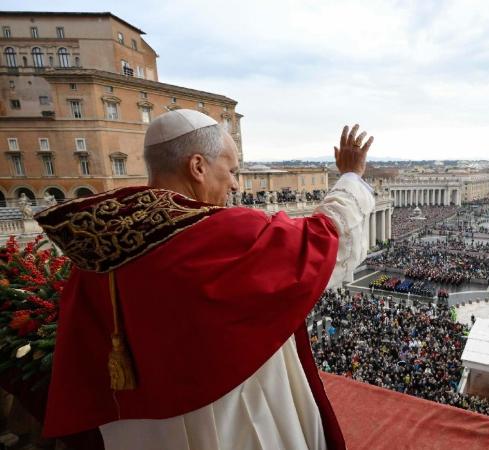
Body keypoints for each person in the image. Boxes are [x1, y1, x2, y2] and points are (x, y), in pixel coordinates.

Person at [35, 110, 376, 450]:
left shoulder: (98, 249)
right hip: (229, 416)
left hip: (138, 431)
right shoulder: (220, 233)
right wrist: (350, 176)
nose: (235, 184)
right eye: (231, 171)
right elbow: (324, 238)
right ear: (197, 167)